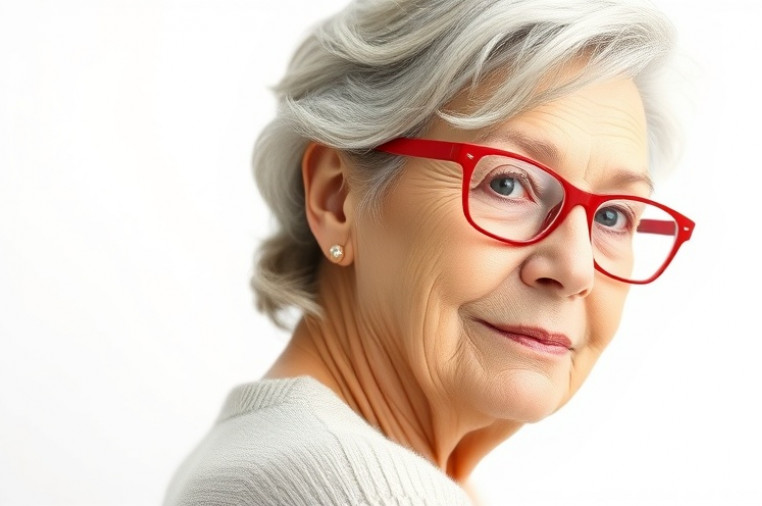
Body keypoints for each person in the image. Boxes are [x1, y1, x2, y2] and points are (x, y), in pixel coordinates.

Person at [164, 0, 694, 503]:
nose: (576, 269)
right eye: (507, 184)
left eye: (612, 216)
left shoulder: (268, 455)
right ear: (337, 198)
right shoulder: (357, 491)